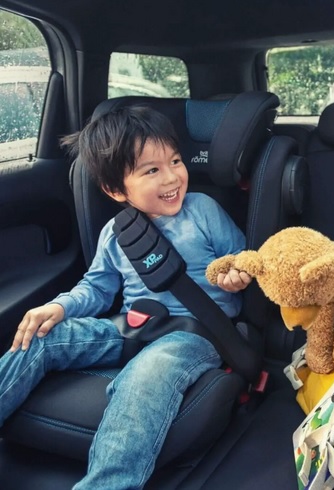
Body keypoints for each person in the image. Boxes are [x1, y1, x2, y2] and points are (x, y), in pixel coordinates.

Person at [0, 105, 251, 490]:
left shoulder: (202, 211)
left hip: (196, 334)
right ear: (117, 190)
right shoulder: (115, 233)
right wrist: (59, 306)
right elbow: (98, 288)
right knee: (40, 336)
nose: (172, 177)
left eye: (176, 161)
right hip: (131, 328)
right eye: (152, 170)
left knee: (146, 373)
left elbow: (244, 258)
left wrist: (238, 275)